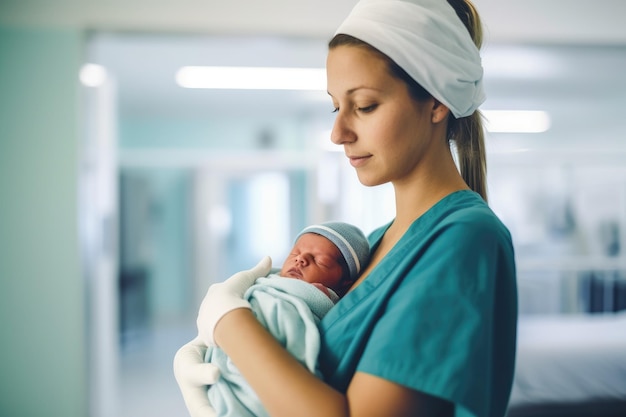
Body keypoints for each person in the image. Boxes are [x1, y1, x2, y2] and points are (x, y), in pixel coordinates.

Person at [174, 0, 518, 416]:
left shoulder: (463, 238)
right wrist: (220, 359)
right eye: (336, 106)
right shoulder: (375, 245)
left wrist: (229, 322)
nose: (338, 132)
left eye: (365, 105)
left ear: (436, 101)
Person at [176, 222, 370, 417]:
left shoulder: (306, 301)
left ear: (345, 283)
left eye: (321, 262)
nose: (301, 260)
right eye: (295, 254)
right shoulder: (268, 282)